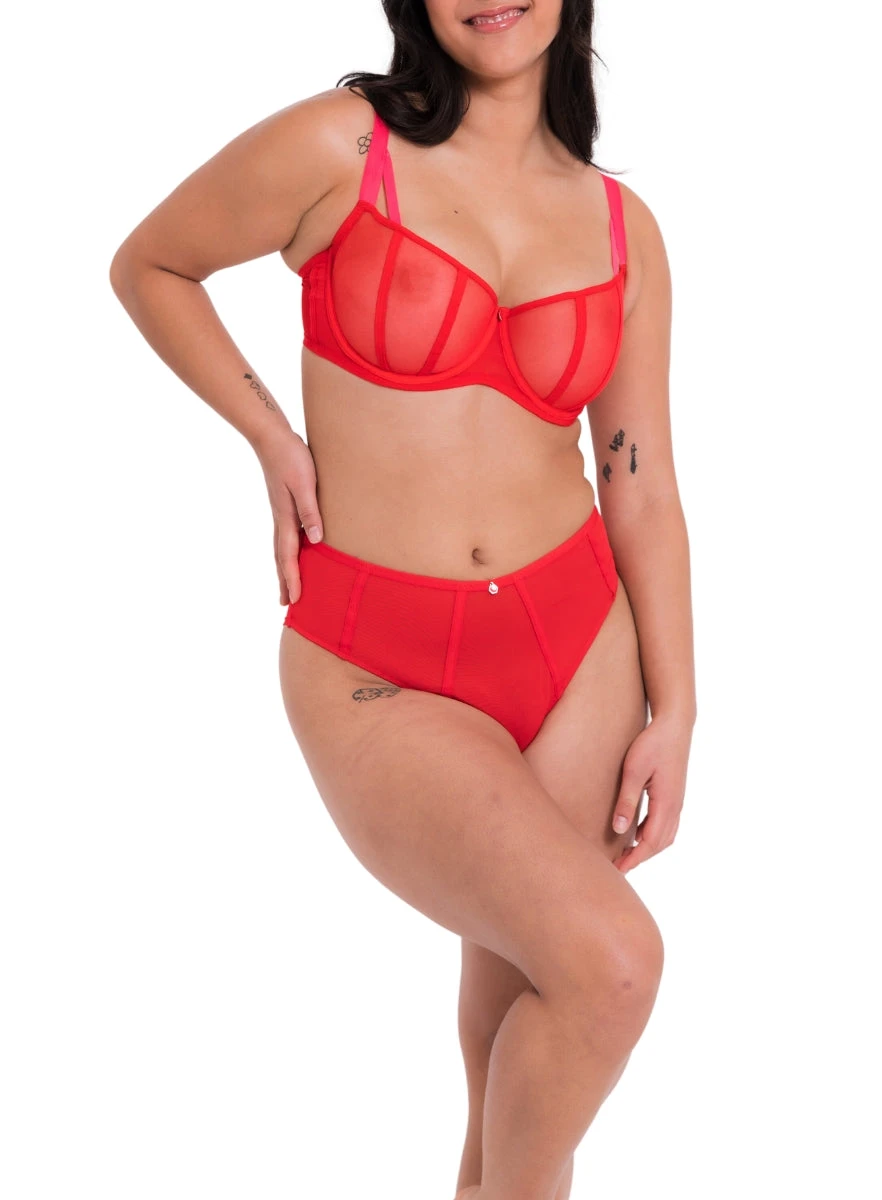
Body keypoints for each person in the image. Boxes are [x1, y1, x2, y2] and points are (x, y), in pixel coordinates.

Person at [109, 2, 696, 1197]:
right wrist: (270, 436)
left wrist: (678, 707)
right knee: (611, 966)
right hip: (376, 660)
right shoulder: (341, 148)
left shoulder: (623, 229)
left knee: (524, 1032)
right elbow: (152, 264)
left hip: (579, 644)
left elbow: (640, 484)